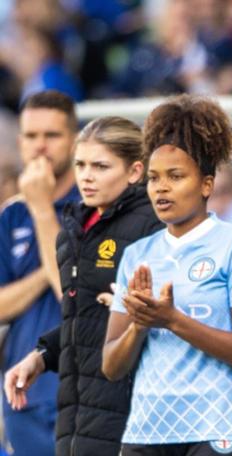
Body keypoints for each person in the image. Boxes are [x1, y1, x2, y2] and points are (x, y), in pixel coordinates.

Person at [101, 94, 232, 456]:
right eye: (153, 178)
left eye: (175, 176)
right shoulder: (137, 254)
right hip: (147, 432)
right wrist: (139, 324)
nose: (161, 188)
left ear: (206, 184)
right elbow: (111, 367)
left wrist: (172, 320)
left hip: (219, 428)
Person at [3, 116, 163, 455]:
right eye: (81, 164)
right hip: (79, 416)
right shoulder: (77, 227)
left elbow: (149, 322)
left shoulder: (153, 228)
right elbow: (87, 318)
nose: (86, 176)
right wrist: (43, 355)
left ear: (134, 172)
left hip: (132, 416)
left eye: (101, 166)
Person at [0, 90, 79, 455]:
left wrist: (43, 210)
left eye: (52, 136)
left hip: (81, 393)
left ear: (74, 140)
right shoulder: (13, 215)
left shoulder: (93, 202)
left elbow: (70, 290)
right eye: (32, 136)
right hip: (23, 396)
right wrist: (44, 273)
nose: (40, 147)